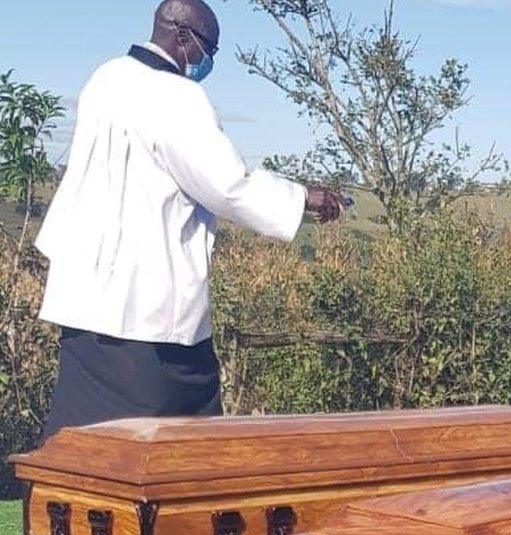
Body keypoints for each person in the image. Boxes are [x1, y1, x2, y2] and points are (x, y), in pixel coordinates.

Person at [34, 0, 344, 439]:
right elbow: (226, 185)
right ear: (182, 37)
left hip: (86, 299)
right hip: (146, 310)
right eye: (208, 49)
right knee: (174, 447)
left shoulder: (105, 78)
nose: (208, 61)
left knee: (78, 446)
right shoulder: (176, 96)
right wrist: (303, 198)